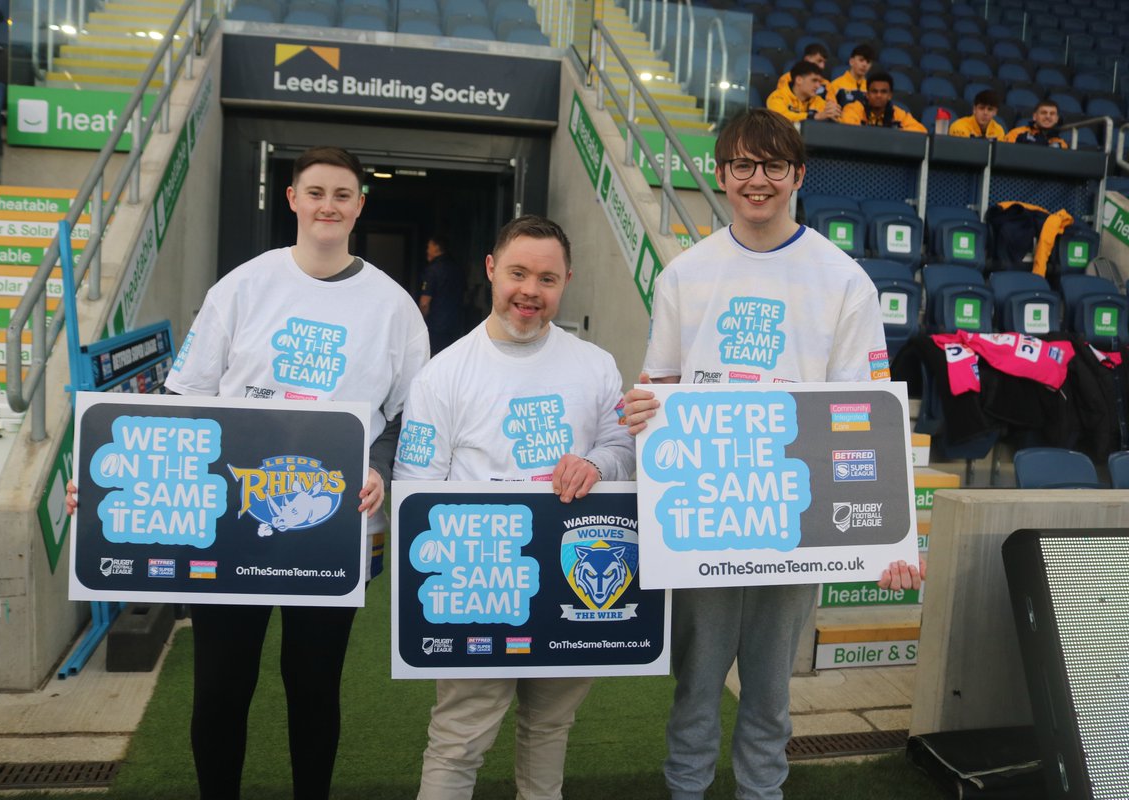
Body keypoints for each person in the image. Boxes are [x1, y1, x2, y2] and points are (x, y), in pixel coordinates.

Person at [70, 146, 429, 799]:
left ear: (359, 206)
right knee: (220, 686)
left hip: (332, 527)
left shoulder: (394, 307)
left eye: (343, 194)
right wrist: (107, 483)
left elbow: (408, 417)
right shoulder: (242, 286)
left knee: (314, 684)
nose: (329, 205)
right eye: (316, 191)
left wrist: (381, 470)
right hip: (231, 525)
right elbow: (182, 405)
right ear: (292, 199)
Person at [619, 108, 924, 800]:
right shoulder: (684, 276)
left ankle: (762, 792)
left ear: (798, 175)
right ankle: (686, 789)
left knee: (769, 687)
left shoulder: (843, 280)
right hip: (704, 514)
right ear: (721, 174)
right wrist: (641, 409)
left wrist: (886, 541)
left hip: (797, 516)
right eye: (742, 166)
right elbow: (659, 388)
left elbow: (866, 418)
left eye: (773, 166)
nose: (757, 180)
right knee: (696, 682)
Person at [394, 214, 635, 800]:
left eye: (547, 279)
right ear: (491, 271)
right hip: (478, 585)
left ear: (567, 281)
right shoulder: (442, 374)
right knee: (458, 740)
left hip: (570, 579)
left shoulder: (595, 364)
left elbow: (623, 448)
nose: (531, 291)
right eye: (518, 274)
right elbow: (415, 489)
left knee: (550, 728)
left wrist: (596, 465)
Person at [418, 233, 467, 354]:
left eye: (429, 247)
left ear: (436, 247)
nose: (427, 251)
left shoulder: (432, 270)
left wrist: (420, 321)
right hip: (456, 324)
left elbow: (425, 303)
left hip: (436, 326)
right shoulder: (458, 268)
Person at [839, 71, 928, 132]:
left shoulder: (898, 113)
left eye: (883, 92)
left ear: (890, 96)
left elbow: (921, 130)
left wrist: (895, 133)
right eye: (874, 91)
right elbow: (848, 128)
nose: (879, 95)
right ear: (867, 94)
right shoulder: (854, 108)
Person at [766, 61, 841, 123]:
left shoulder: (817, 100)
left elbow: (830, 117)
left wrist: (833, 113)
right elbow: (781, 118)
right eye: (814, 80)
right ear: (799, 80)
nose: (818, 86)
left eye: (819, 82)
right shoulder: (777, 96)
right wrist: (814, 116)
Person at [826, 43, 875, 108]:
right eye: (861, 60)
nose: (864, 65)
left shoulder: (871, 88)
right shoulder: (836, 85)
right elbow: (831, 111)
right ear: (851, 61)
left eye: (868, 62)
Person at [1003, 99, 1068, 148]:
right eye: (1043, 113)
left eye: (1052, 114)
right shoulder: (1016, 134)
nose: (1048, 116)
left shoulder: (1061, 144)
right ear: (1034, 116)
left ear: (1056, 119)